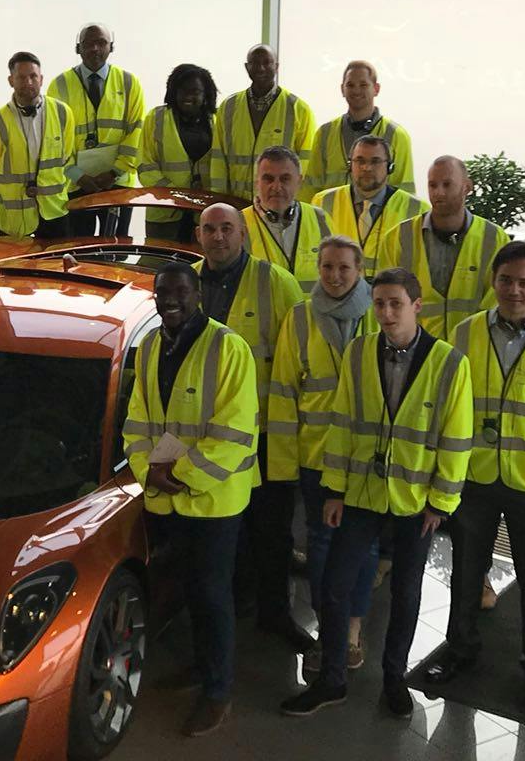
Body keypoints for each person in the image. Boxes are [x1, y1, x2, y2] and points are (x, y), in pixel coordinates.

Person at [281, 266, 473, 719]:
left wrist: (441, 503)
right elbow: (343, 423)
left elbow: (456, 436)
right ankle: (331, 679)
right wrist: (334, 490)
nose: (386, 313)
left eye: (396, 304)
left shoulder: (448, 362)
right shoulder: (359, 353)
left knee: (405, 594)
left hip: (414, 503)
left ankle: (394, 680)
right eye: (380, 303)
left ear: (416, 306)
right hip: (361, 496)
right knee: (333, 586)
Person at [422, 242, 525, 713]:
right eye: (506, 280)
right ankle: (459, 650)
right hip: (474, 477)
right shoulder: (465, 334)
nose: (514, 290)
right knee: (467, 573)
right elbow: (446, 405)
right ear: (493, 282)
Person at [123, 263, 259, 738]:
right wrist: (147, 471)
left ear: (198, 295)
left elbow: (236, 432)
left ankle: (218, 692)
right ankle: (202, 669)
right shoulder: (149, 347)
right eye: (163, 292)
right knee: (189, 592)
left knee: (212, 596)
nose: (171, 300)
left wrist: (176, 474)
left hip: (215, 500)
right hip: (166, 497)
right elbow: (138, 420)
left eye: (181, 292)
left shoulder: (228, 347)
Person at [192, 203, 306, 651]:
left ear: (243, 233)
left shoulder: (276, 282)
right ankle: (235, 609)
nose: (218, 237)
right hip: (208, 434)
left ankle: (275, 614)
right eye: (209, 229)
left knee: (272, 529)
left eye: (226, 228)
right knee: (225, 530)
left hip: (265, 431)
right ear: (198, 236)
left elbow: (300, 355)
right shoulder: (188, 281)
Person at [264, 236, 379, 671]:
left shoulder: (378, 314)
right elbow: (282, 394)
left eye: (344, 268)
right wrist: (283, 464)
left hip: (366, 457)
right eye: (327, 267)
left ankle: (350, 631)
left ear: (360, 270)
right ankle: (324, 632)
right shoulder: (298, 319)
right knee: (321, 542)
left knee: (363, 544)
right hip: (315, 459)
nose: (334, 276)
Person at [376, 155, 509, 341]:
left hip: (472, 349)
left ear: (467, 187)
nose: (438, 192)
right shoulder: (397, 238)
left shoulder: (494, 239)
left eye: (447, 185)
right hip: (416, 353)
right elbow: (384, 298)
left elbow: (497, 302)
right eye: (432, 185)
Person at [49, 24, 146, 238]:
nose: (95, 49)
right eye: (88, 44)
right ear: (78, 49)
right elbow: (53, 139)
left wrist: (114, 172)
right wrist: (77, 175)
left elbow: (136, 132)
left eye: (101, 43)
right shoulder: (59, 85)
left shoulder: (130, 83)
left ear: (111, 47)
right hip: (76, 184)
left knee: (116, 250)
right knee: (78, 250)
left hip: (117, 183)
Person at [0, 52, 76, 240]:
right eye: (21, 77)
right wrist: (3, 201)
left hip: (54, 214)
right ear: (11, 80)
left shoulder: (63, 113)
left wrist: (52, 193)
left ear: (42, 79)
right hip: (13, 219)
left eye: (33, 76)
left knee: (53, 268)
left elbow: (67, 160)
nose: (28, 82)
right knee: (14, 269)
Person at [313, 134, 426, 282]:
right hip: (339, 299)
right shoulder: (322, 201)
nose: (366, 168)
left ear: (390, 167)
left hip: (389, 301)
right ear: (350, 166)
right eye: (360, 161)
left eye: (375, 161)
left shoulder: (417, 208)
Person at [211, 45, 315, 200]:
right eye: (255, 63)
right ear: (247, 67)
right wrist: (219, 202)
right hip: (236, 205)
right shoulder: (228, 107)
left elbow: (305, 166)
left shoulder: (299, 110)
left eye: (267, 62)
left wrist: (295, 207)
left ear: (277, 66)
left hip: (279, 205)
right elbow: (218, 160)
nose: (261, 68)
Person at [304, 61, 416, 196]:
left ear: (376, 89)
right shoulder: (325, 133)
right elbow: (310, 188)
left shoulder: (397, 135)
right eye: (350, 85)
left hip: (381, 217)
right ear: (342, 90)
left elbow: (404, 195)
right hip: (332, 216)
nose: (356, 90)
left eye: (363, 85)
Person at [136, 64, 219, 244]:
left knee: (201, 265)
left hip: (204, 212)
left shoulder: (217, 122)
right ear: (174, 91)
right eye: (183, 90)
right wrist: (176, 194)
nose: (188, 96)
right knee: (159, 263)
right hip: (164, 211)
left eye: (195, 91)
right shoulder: (156, 118)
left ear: (205, 94)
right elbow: (145, 165)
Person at [243, 146, 333, 293]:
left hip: (311, 315)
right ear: (256, 183)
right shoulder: (237, 224)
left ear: (299, 181)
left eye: (285, 179)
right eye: (268, 179)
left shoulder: (320, 219)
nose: (277, 187)